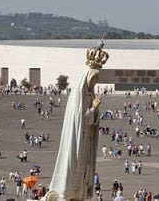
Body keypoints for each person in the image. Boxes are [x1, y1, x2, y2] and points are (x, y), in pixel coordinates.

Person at [42, 41, 109, 201]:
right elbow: (80, 118)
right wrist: (93, 108)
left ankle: (78, 195)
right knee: (73, 166)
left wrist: (95, 109)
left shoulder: (88, 93)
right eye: (93, 79)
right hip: (77, 139)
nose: (95, 82)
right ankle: (68, 193)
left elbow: (89, 119)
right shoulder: (78, 93)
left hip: (85, 139)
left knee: (82, 167)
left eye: (96, 79)